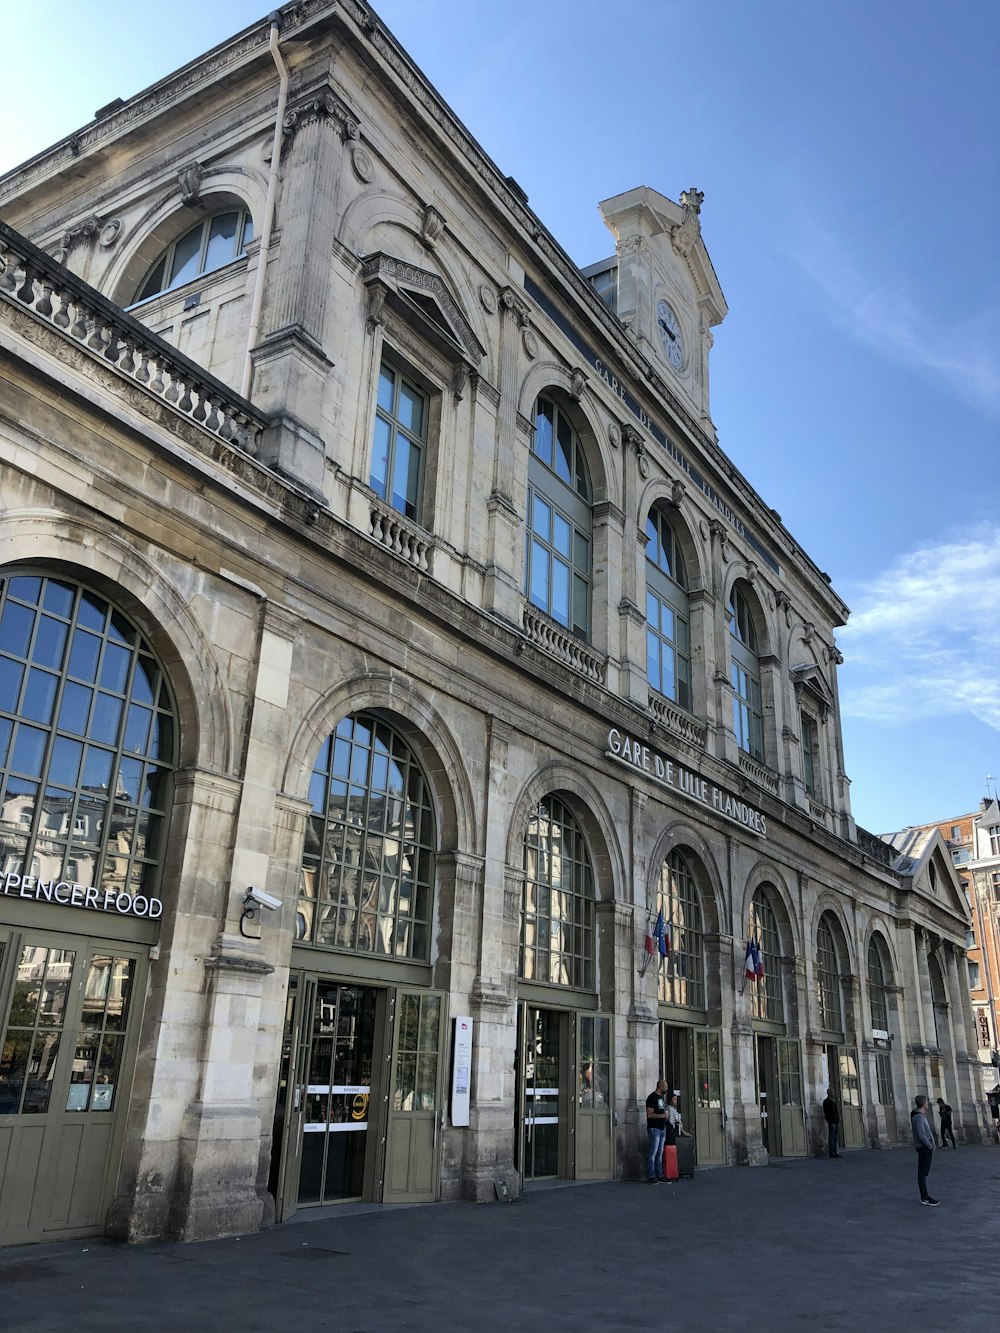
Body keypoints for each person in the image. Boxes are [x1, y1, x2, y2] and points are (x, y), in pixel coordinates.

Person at [910, 1095, 939, 1205]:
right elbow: (922, 1135)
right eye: (926, 1102)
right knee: (922, 1173)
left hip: (924, 1147)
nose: (927, 1104)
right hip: (924, 1148)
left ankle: (925, 1196)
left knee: (923, 1172)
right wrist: (929, 1145)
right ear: (923, 1104)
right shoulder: (919, 1118)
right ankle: (925, 1197)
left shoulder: (920, 1116)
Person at [645, 1078, 669, 1183]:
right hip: (654, 1128)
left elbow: (661, 1110)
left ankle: (660, 1174)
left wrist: (665, 1116)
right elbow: (650, 1114)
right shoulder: (652, 1098)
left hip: (662, 1127)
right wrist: (662, 1115)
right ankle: (651, 1175)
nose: (667, 1088)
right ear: (661, 1086)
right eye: (666, 1086)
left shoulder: (661, 1098)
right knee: (653, 1152)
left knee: (660, 1152)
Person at [822, 1087, 841, 1158]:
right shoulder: (826, 1102)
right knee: (831, 1137)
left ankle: (835, 1151)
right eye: (832, 1092)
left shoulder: (833, 1102)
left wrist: (838, 1120)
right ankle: (831, 1152)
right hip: (831, 1122)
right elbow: (827, 1113)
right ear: (829, 1094)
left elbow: (835, 1112)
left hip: (835, 1121)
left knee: (835, 1138)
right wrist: (830, 1122)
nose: (834, 1094)